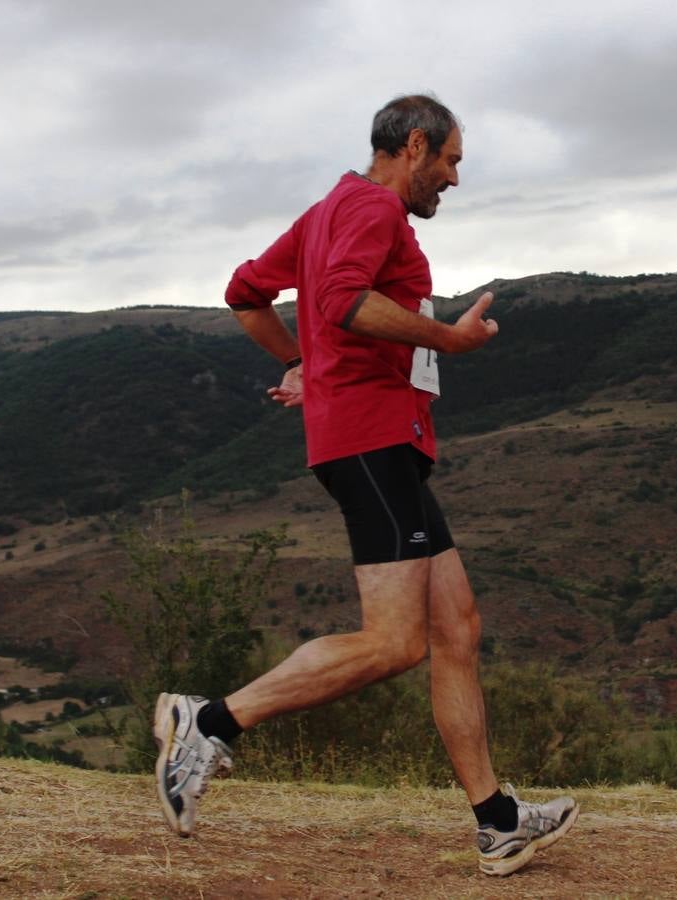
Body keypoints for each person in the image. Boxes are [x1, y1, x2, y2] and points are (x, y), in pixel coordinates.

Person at [153, 94, 578, 877]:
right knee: (393, 642)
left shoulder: (327, 211)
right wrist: (445, 336)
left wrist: (301, 362)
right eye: (448, 160)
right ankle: (208, 722)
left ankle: (496, 821)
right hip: (369, 441)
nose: (452, 177)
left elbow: (245, 293)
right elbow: (343, 302)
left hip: (387, 440)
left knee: (457, 628)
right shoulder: (372, 210)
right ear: (412, 145)